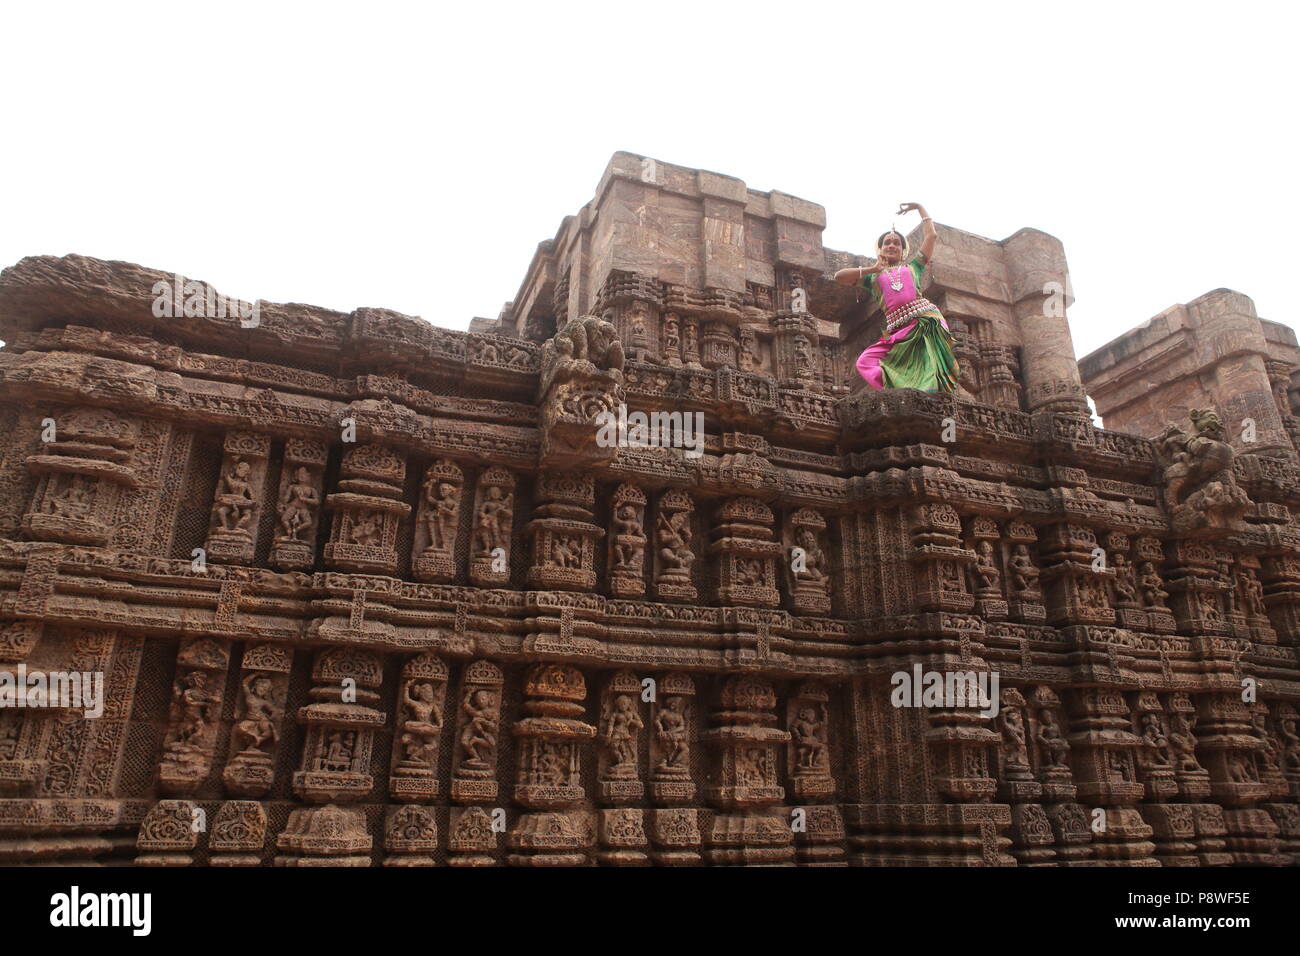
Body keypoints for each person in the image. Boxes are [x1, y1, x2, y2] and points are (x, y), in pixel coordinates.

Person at [835, 202, 959, 393]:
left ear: (903, 250)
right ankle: (900, 390)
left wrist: (919, 208)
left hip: (924, 322)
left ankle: (925, 397)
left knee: (929, 366)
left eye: (896, 243)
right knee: (865, 362)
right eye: (887, 243)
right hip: (897, 331)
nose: (892, 245)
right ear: (880, 249)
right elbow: (839, 277)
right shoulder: (872, 277)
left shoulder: (913, 267)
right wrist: (872, 268)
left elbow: (931, 236)